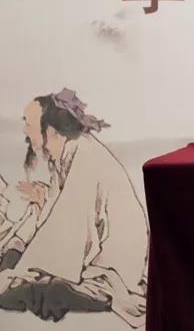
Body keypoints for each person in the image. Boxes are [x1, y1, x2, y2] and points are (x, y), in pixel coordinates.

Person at [0, 89, 148, 327]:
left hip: (112, 265)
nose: (25, 131)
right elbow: (53, 216)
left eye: (28, 124)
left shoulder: (85, 158)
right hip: (91, 258)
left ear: (51, 130)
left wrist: (17, 271)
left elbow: (70, 227)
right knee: (14, 266)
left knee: (28, 294)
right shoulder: (65, 156)